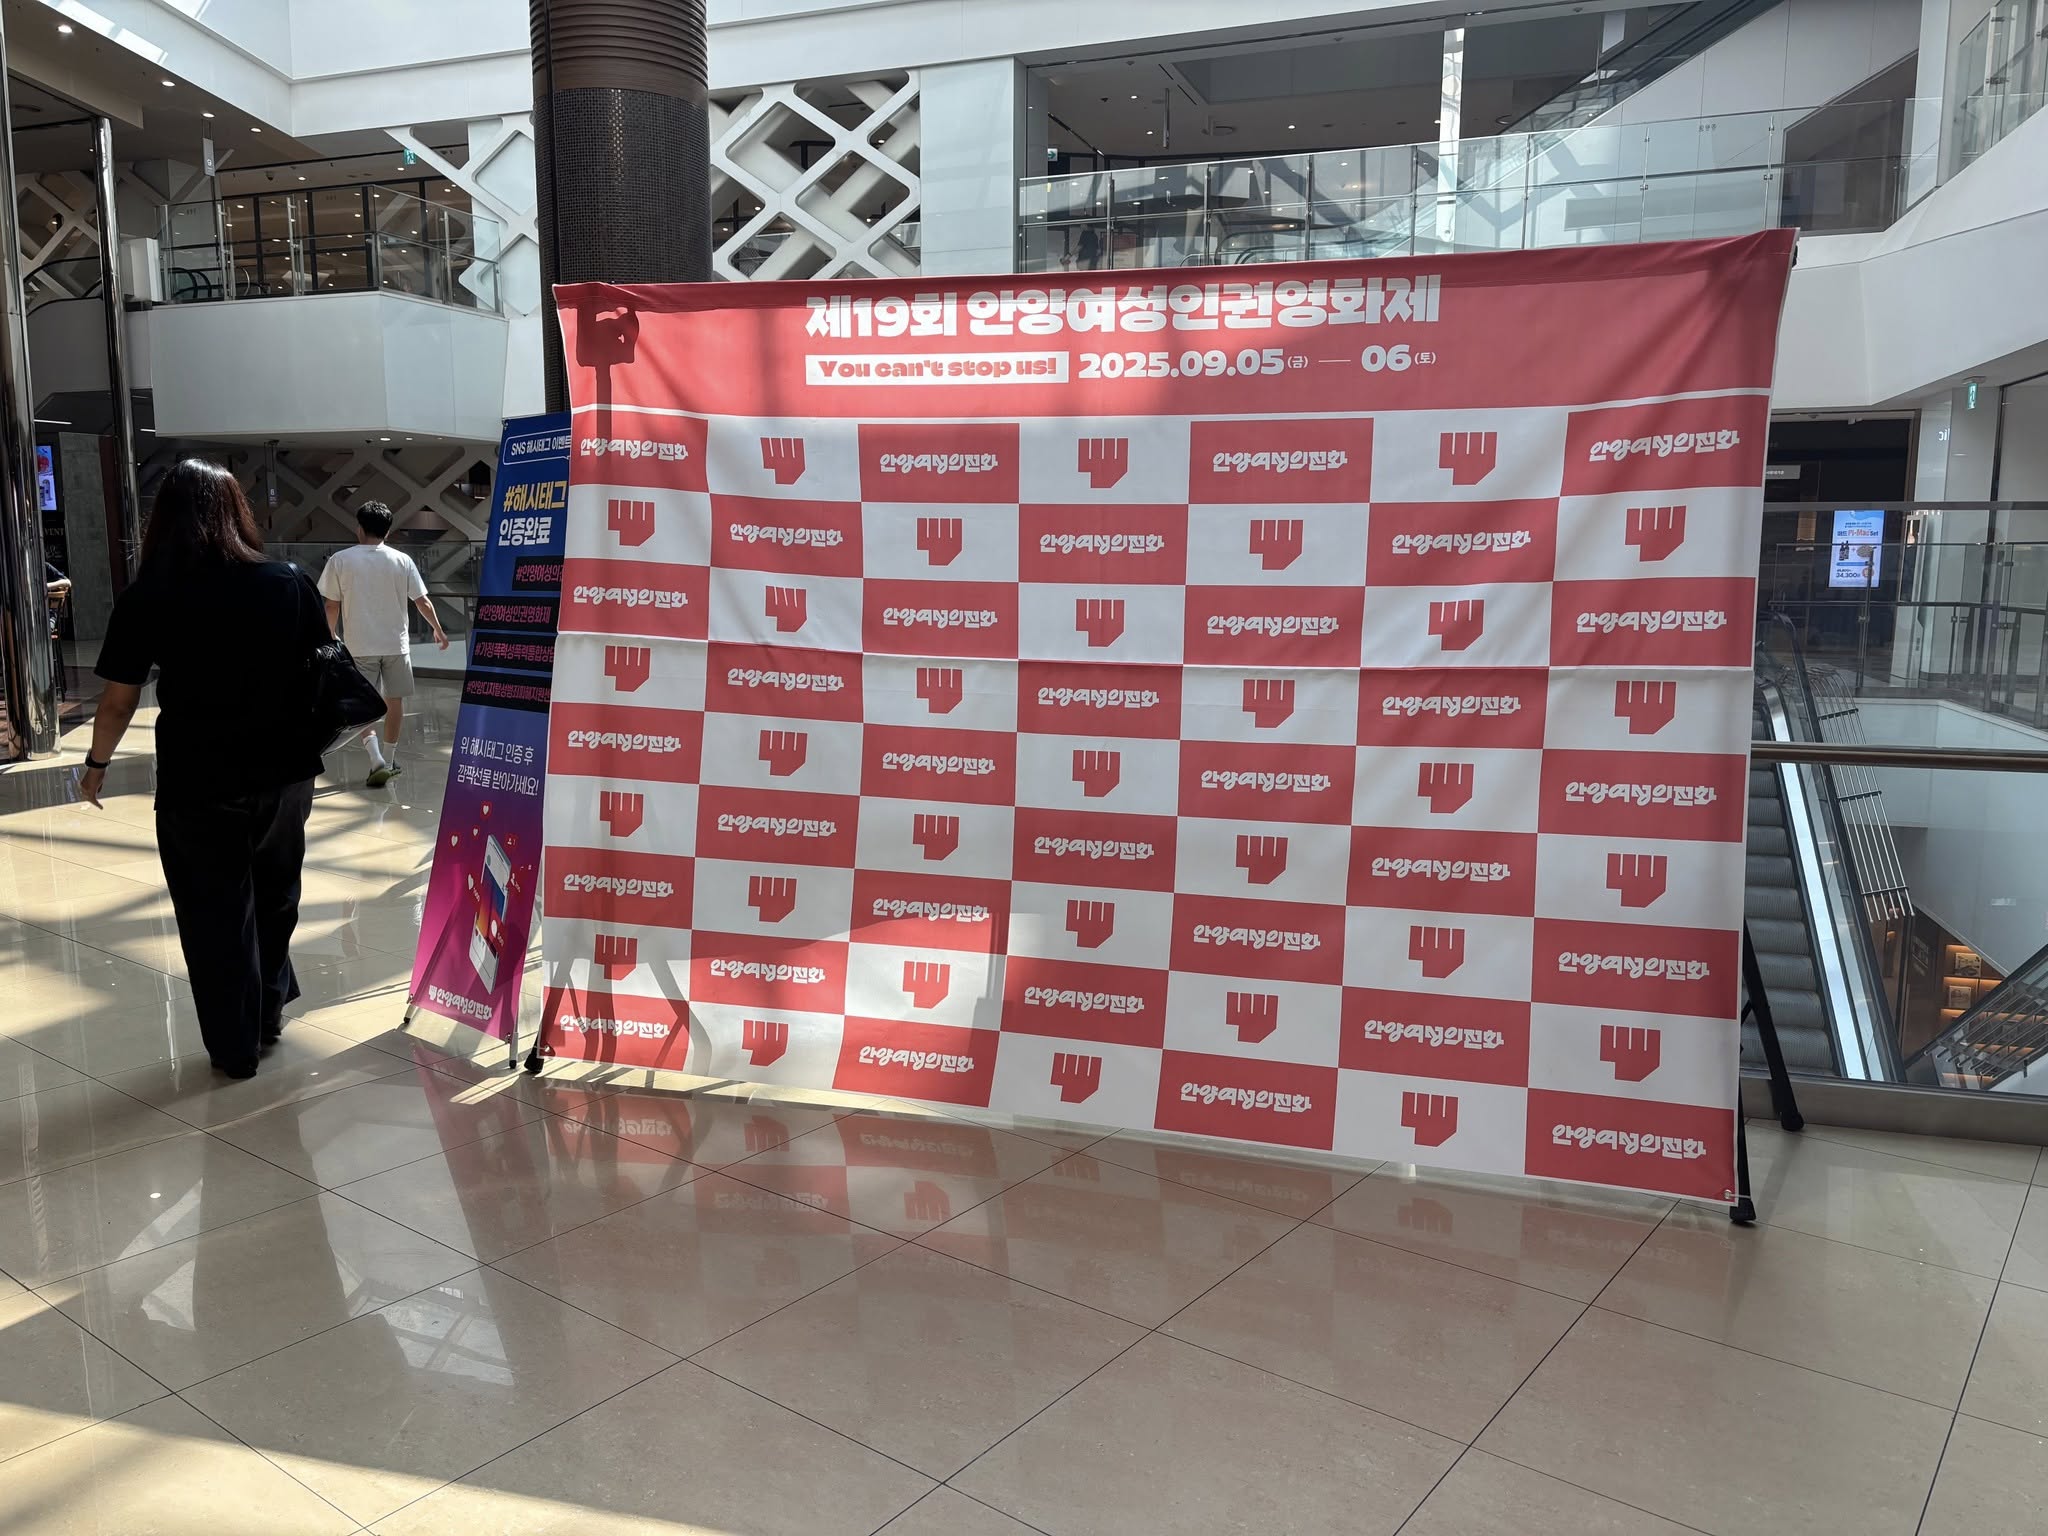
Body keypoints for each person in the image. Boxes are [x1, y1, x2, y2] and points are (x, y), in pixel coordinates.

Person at [79, 460, 333, 1079]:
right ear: (236, 511)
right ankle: (267, 1013)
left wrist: (96, 764)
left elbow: (118, 702)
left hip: (199, 775)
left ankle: (234, 1047)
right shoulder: (287, 581)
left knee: (212, 911)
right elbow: (324, 666)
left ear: (163, 519)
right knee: (276, 895)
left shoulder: (149, 595)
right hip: (284, 772)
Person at [317, 502, 448, 787]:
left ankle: (375, 757)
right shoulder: (402, 560)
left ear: (359, 528)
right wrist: (438, 629)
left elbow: (330, 605)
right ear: (388, 531)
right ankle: (389, 760)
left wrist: (330, 635)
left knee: (364, 702)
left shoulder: (340, 560)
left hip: (359, 645)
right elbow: (422, 601)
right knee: (394, 700)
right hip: (396, 644)